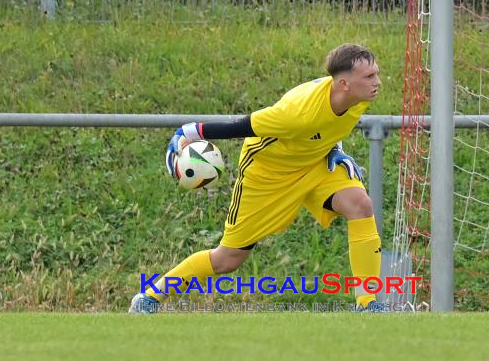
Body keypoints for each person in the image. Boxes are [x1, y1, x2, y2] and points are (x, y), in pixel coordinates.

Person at [129, 43, 382, 313]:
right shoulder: (295, 114)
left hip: (314, 164)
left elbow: (330, 123)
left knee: (360, 205)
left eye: (376, 73)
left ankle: (368, 306)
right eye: (369, 77)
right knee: (227, 259)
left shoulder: (359, 95)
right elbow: (242, 126)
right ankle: (150, 298)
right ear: (344, 83)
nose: (377, 82)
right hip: (267, 174)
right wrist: (187, 132)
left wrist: (335, 147)